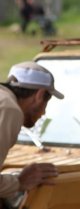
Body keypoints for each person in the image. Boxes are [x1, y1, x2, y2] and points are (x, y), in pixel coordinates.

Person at [1, 61, 64, 199]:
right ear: (40, 95)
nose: (43, 113)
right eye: (46, 102)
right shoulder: (9, 109)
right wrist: (19, 182)